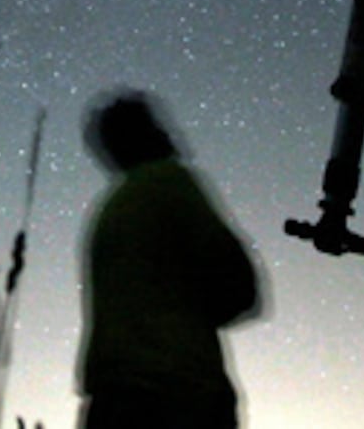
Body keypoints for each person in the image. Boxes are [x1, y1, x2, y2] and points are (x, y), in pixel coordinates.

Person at [78, 89, 260, 429]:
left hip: (111, 400)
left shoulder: (108, 212)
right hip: (181, 393)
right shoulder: (171, 181)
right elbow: (239, 286)